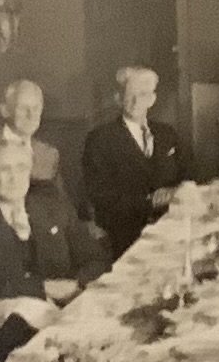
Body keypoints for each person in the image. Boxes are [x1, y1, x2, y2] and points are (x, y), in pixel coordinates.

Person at [0, 133, 109, 308]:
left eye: (21, 168)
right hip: (8, 321)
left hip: (69, 308)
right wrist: (42, 288)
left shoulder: (52, 206)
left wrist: (77, 285)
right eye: (4, 169)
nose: (14, 177)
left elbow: (96, 258)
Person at [78, 65, 186, 247]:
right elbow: (101, 196)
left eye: (143, 95)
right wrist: (149, 202)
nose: (136, 102)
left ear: (152, 99)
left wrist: (177, 192)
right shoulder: (100, 139)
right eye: (130, 95)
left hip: (171, 226)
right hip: (125, 233)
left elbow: (188, 174)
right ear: (118, 98)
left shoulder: (167, 134)